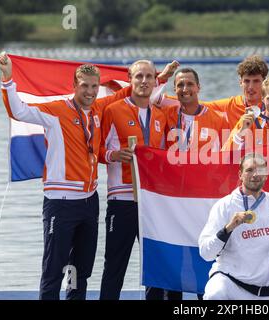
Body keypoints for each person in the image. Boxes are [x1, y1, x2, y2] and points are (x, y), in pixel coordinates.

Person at [0, 52, 132, 300]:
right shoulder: (57, 110)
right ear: (74, 86)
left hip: (89, 202)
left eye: (94, 86)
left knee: (80, 271)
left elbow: (127, 93)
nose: (90, 92)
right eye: (84, 86)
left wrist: (160, 77)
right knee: (53, 271)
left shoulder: (97, 110)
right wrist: (7, 79)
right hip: (60, 202)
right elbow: (19, 111)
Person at [99, 60, 177, 300]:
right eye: (139, 77)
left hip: (151, 201)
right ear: (130, 80)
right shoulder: (113, 110)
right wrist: (114, 154)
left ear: (155, 81)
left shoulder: (161, 116)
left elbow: (165, 156)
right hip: (121, 199)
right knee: (115, 264)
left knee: (153, 266)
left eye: (148, 77)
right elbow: (96, 149)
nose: (144, 81)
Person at [199, 153, 269, 300]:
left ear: (267, 175)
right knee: (214, 295)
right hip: (228, 282)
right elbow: (206, 252)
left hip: (261, 291)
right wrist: (228, 228)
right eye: (250, 170)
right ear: (240, 174)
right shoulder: (225, 206)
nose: (255, 175)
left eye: (260, 170)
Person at [156, 55, 269, 129]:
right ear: (240, 82)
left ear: (264, 82)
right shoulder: (229, 106)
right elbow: (194, 104)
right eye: (246, 81)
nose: (250, 87)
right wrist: (160, 87)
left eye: (256, 81)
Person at [164, 67, 229, 152]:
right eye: (180, 85)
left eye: (190, 84)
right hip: (174, 164)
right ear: (175, 89)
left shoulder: (220, 119)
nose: (185, 89)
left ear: (198, 87)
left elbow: (228, 155)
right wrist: (162, 77)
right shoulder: (166, 115)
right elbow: (148, 98)